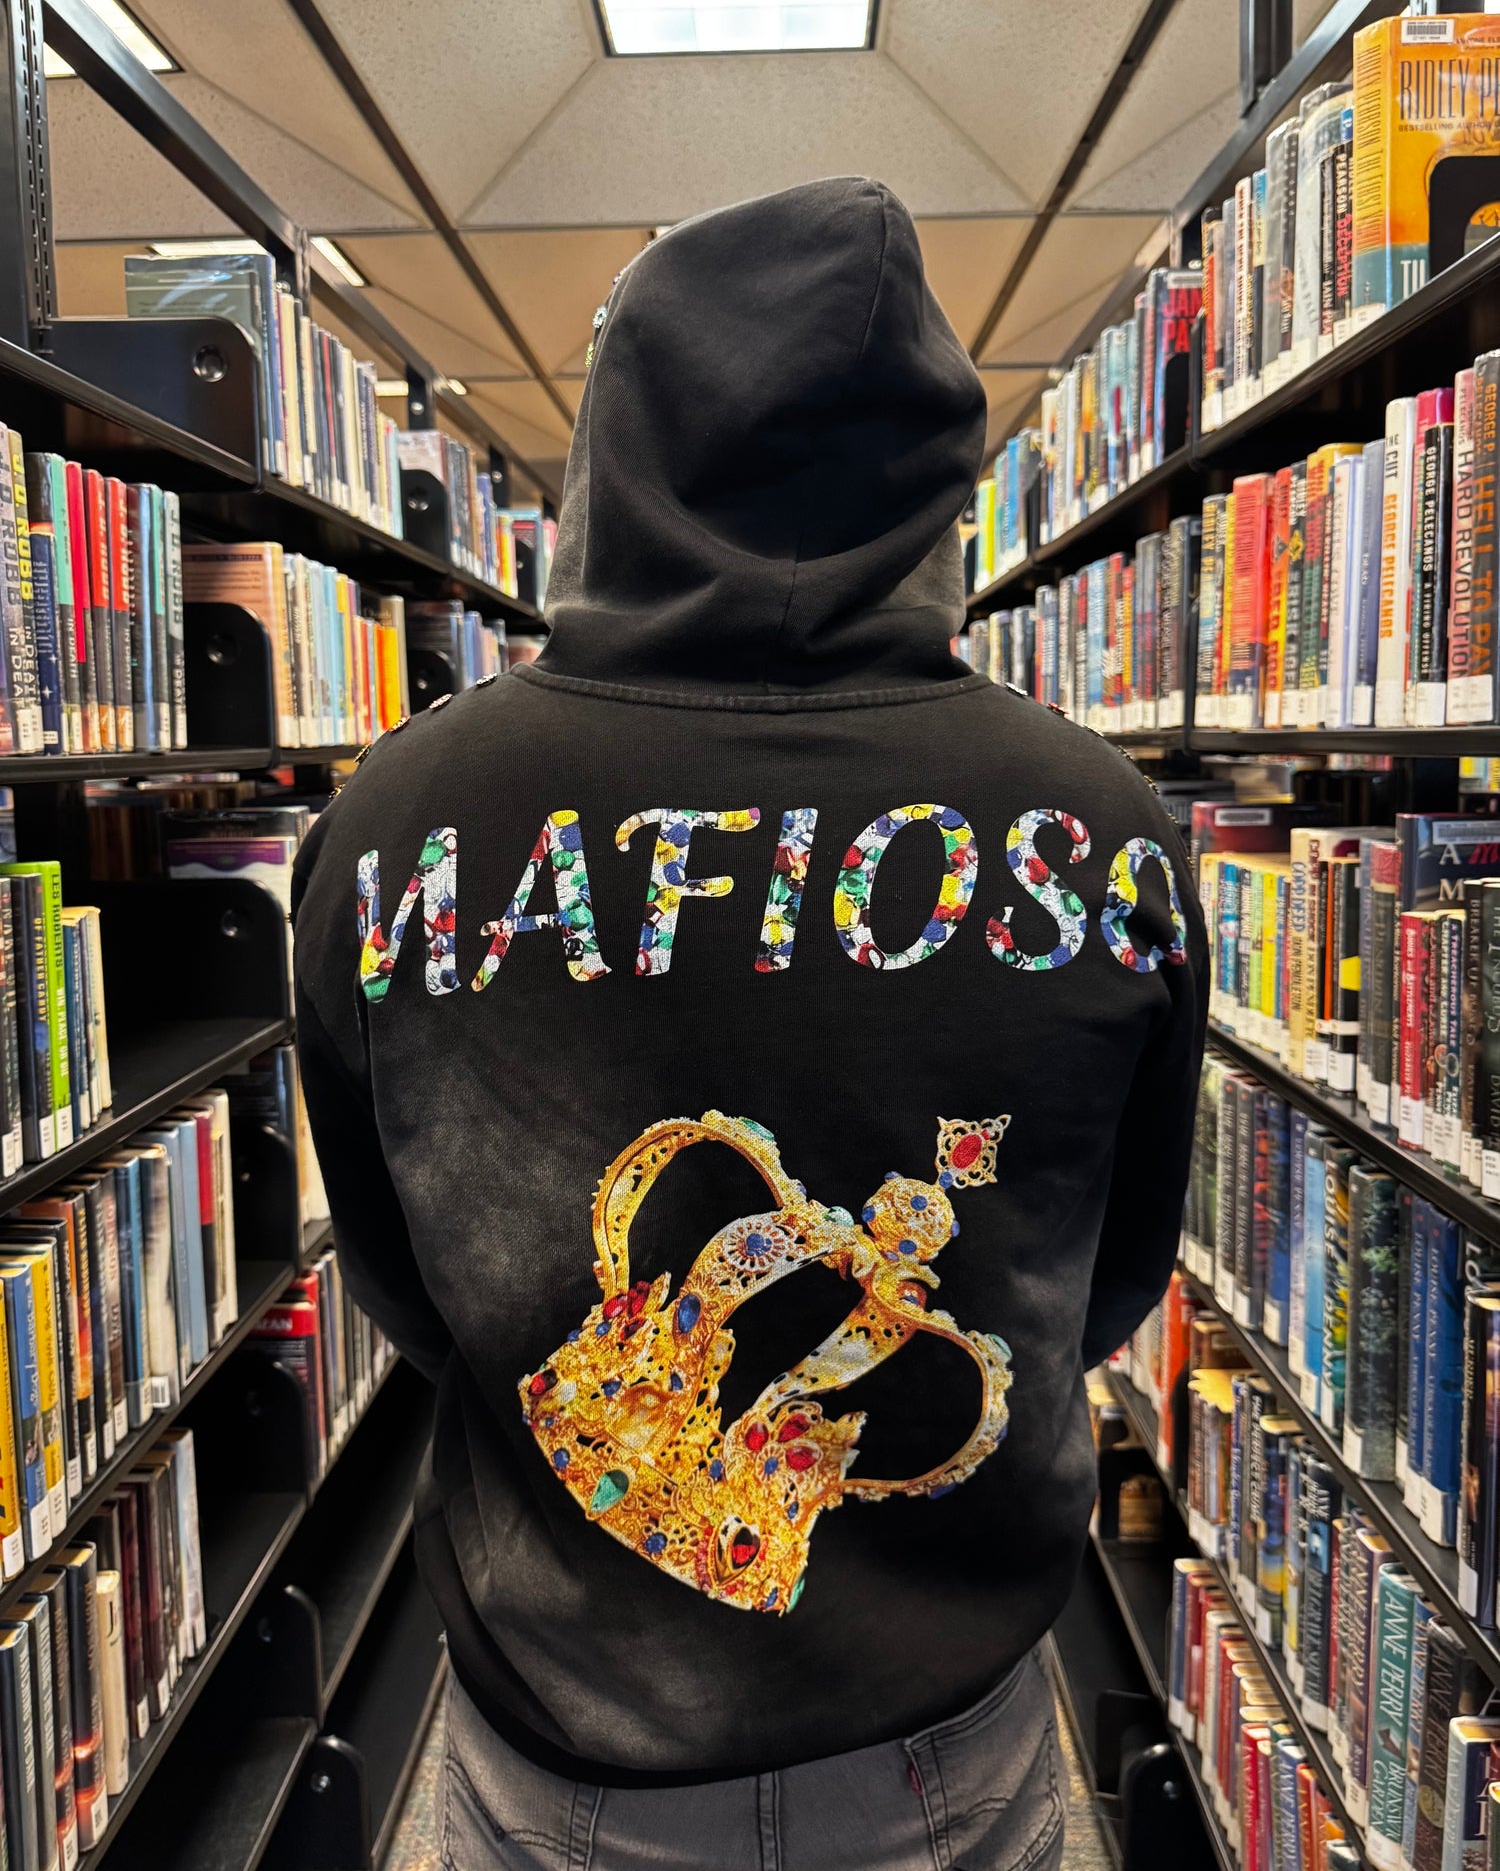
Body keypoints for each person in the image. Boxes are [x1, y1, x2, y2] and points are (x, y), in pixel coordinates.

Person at [292, 175, 1208, 1871]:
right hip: (950, 1746)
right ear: (938, 478)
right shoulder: (1103, 826)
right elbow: (1112, 1273)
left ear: (617, 443)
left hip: (555, 1736)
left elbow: (407, 1279)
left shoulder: (398, 820)